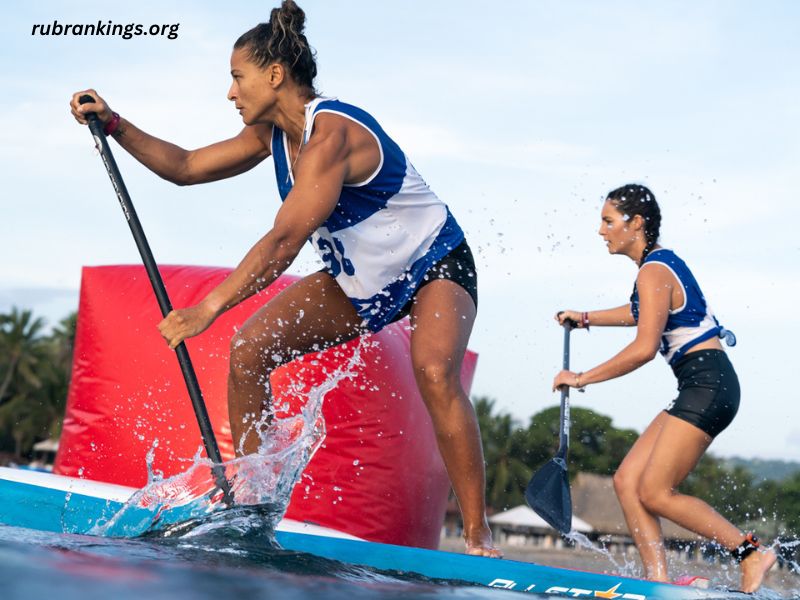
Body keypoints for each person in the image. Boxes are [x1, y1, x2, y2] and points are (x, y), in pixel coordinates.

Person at [69, 0, 500, 557]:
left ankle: (477, 538)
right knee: (250, 351)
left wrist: (209, 307)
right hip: (363, 279)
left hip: (434, 263)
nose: (230, 93)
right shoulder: (270, 136)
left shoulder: (332, 135)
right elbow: (185, 167)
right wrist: (115, 124)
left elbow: (284, 240)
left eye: (236, 77)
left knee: (435, 372)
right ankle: (249, 507)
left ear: (275, 75)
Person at [552, 184, 775, 592]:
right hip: (701, 384)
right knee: (627, 481)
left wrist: (580, 378)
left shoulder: (653, 270)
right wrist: (583, 318)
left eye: (608, 221)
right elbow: (639, 313)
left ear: (635, 223)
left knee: (655, 491)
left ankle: (750, 553)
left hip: (709, 385)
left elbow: (643, 348)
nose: (601, 231)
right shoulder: (654, 270)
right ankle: (657, 578)